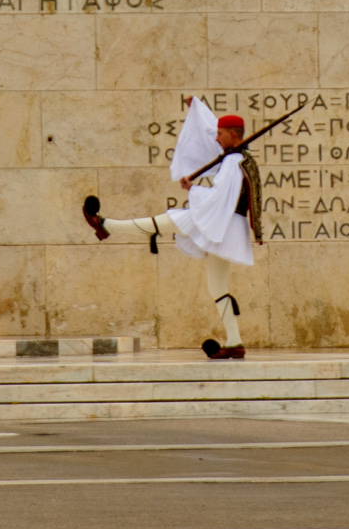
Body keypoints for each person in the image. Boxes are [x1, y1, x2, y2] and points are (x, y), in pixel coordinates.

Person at [82, 98, 263, 359]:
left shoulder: (234, 163)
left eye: (221, 134)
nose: (216, 139)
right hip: (227, 226)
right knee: (217, 287)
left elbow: (218, 197)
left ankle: (107, 225)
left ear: (233, 135)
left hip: (221, 222)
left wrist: (194, 189)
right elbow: (210, 130)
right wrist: (197, 108)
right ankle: (235, 343)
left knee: (170, 219)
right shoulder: (239, 159)